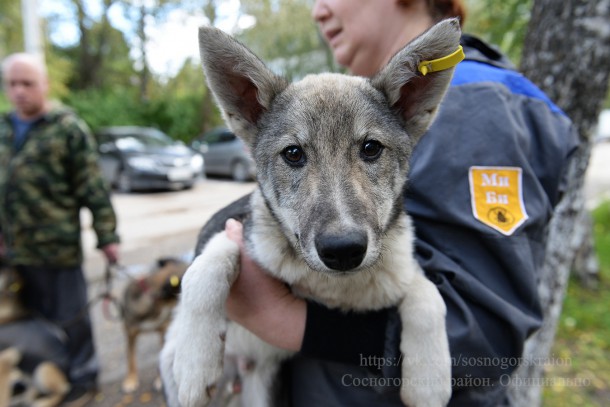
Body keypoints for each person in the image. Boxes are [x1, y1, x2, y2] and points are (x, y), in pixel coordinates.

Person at [205, 1, 579, 406]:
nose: (318, 10)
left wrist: (284, 321)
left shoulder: (477, 105)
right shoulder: (346, 103)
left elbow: (486, 340)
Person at [0, 53, 120, 406]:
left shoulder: (67, 128)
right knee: (31, 321)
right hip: (16, 252)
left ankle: (84, 377)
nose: (19, 91)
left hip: (58, 249)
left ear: (45, 85)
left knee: (72, 319)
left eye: (27, 83)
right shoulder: (4, 128)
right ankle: (48, 374)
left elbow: (92, 188)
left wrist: (107, 237)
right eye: (12, 84)